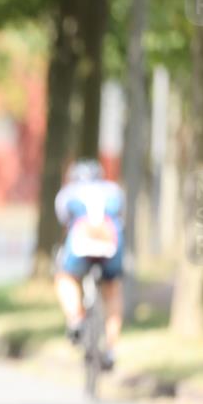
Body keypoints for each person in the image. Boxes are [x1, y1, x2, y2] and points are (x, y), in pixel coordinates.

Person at [54, 158, 125, 370]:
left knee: (64, 277)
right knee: (112, 292)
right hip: (111, 244)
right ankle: (111, 348)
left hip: (80, 244)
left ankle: (76, 319)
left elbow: (64, 219)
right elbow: (121, 216)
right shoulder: (114, 190)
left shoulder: (68, 192)